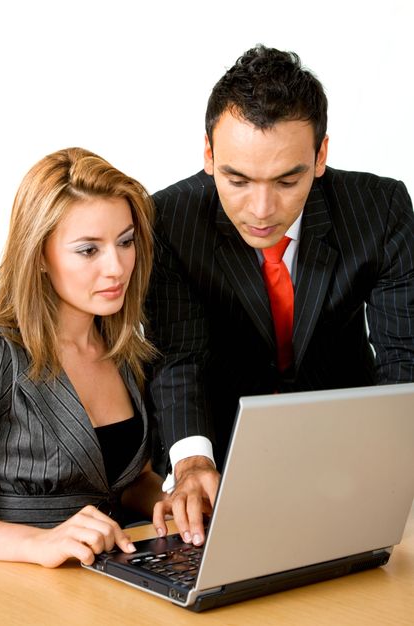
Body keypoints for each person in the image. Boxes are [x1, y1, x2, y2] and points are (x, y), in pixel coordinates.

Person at [147, 45, 414, 547]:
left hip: (348, 456)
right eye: (237, 179)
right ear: (208, 155)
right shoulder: (170, 222)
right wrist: (192, 460)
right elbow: (179, 357)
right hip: (221, 464)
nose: (262, 209)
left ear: (321, 157)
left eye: (288, 180)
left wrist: (385, 464)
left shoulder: (380, 209)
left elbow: (404, 355)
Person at [0, 147, 164, 567]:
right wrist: (38, 544)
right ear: (38, 255)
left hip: (118, 579)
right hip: (18, 592)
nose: (117, 267)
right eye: (89, 250)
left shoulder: (126, 353)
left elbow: (128, 482)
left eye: (125, 242)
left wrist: (167, 499)